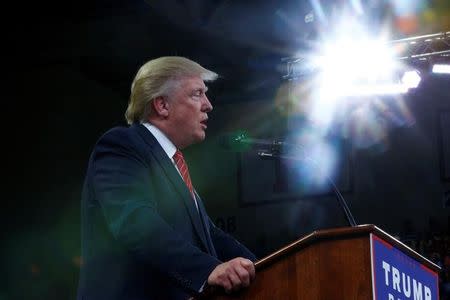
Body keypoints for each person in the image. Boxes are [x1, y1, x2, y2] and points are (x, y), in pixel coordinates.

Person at [77, 56, 257, 300]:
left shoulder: (175, 165)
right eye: (197, 94)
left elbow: (211, 236)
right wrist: (208, 270)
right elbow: (136, 222)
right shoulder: (121, 145)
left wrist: (261, 268)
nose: (208, 105)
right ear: (162, 105)